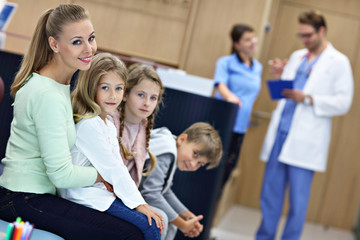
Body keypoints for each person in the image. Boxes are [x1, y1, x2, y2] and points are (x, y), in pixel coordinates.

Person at [0, 4, 143, 239]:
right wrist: (101, 176)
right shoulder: (48, 94)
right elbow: (61, 175)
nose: (89, 49)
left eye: (91, 38)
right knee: (130, 234)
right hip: (24, 197)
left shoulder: (56, 86)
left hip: (27, 194)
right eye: (77, 42)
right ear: (54, 44)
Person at [256, 10, 354, 240]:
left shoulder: (338, 62)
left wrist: (309, 99)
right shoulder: (298, 56)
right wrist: (279, 78)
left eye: (308, 35)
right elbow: (283, 94)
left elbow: (343, 102)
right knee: (269, 196)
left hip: (306, 141)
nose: (305, 40)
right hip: (281, 134)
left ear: (322, 31)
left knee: (298, 203)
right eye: (301, 35)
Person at [58, 52, 163, 240]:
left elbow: (118, 166)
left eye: (119, 88)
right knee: (149, 228)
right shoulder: (89, 124)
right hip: (83, 196)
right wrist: (140, 204)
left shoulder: (106, 124)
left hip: (100, 194)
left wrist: (139, 203)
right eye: (105, 88)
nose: (113, 96)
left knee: (151, 225)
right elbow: (114, 169)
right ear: (92, 87)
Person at [139, 122, 223, 239]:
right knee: (162, 219)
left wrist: (186, 215)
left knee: (173, 222)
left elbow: (165, 190)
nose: (193, 164)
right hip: (119, 194)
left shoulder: (172, 148)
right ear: (182, 139)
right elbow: (150, 194)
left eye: (200, 163)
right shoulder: (166, 151)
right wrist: (183, 224)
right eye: (195, 154)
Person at [213, 24, 262, 186]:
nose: (253, 42)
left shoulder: (257, 68)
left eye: (253, 37)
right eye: (248, 40)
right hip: (223, 122)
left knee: (228, 170)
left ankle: (212, 209)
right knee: (214, 168)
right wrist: (230, 97)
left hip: (240, 127)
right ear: (237, 44)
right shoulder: (226, 62)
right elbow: (220, 84)